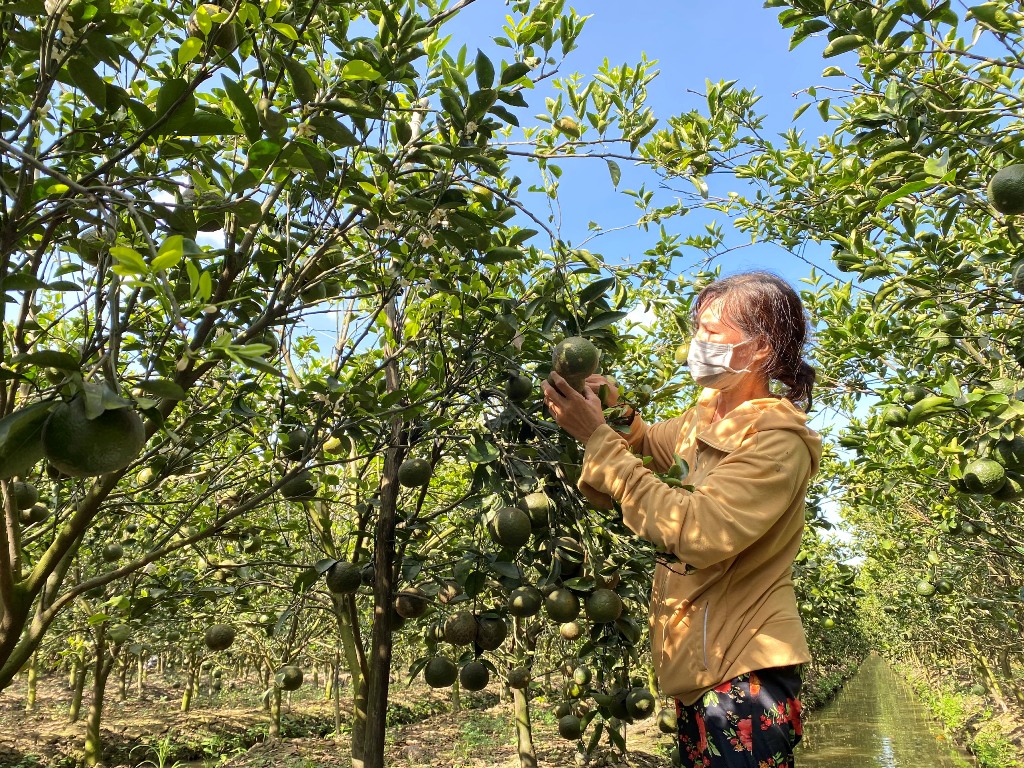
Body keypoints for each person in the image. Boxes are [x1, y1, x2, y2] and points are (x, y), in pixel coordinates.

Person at [542, 271, 820, 768]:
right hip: (699, 667)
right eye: (698, 331)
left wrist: (597, 439)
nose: (697, 344)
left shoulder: (777, 441)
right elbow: (649, 449)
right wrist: (613, 410)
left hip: (744, 673)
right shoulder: (704, 418)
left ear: (759, 349)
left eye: (712, 333)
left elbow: (699, 531)